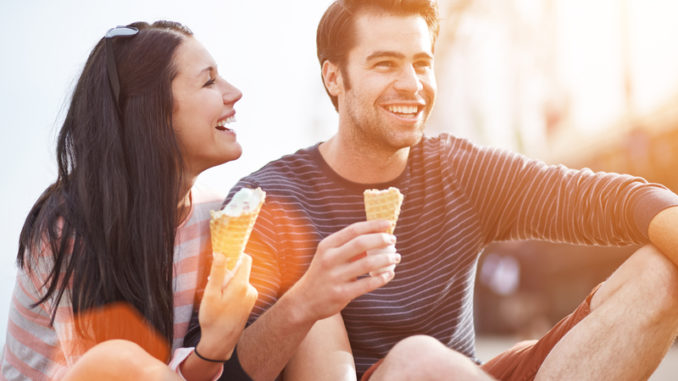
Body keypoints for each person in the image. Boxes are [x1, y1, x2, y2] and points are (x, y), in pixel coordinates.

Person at [187, 0, 678, 380]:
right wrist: (305, 302)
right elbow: (221, 369)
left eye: (421, 63)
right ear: (334, 78)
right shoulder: (269, 198)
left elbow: (609, 200)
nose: (412, 84)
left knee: (660, 271)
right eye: (385, 64)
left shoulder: (458, 169)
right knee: (419, 359)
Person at [0, 21, 262, 381]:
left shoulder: (215, 214)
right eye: (209, 81)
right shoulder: (69, 228)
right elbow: (112, 372)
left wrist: (214, 348)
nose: (234, 93)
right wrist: (212, 349)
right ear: (154, 113)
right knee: (119, 357)